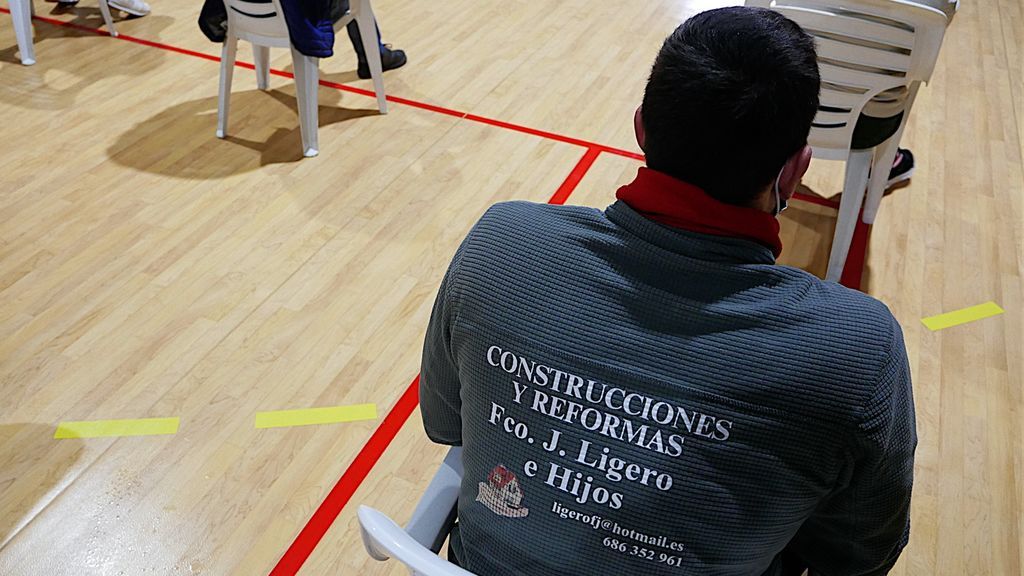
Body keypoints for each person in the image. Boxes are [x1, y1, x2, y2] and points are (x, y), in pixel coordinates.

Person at [419, 7, 916, 576]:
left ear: (641, 129)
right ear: (793, 173)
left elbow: (446, 423)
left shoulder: (501, 242)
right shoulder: (858, 350)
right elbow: (858, 555)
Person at [198, 0, 406, 75]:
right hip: (296, 23)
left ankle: (374, 57)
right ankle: (373, 57)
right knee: (355, 2)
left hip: (242, 17)